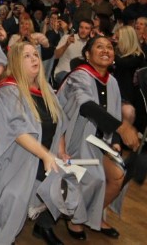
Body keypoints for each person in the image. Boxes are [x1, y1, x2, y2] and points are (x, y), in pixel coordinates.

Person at [57, 36, 140, 240]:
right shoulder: (79, 76)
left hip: (97, 142)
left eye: (109, 47)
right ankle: (75, 219)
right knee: (94, 177)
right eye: (99, 47)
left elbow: (112, 113)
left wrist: (115, 142)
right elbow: (85, 106)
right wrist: (121, 128)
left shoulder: (111, 81)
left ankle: (90, 215)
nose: (105, 50)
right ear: (87, 54)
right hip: (69, 140)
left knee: (118, 177)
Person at [0, 42, 66, 245]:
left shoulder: (45, 89)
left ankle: (43, 224)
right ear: (16, 62)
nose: (34, 59)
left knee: (68, 186)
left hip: (43, 159)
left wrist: (61, 150)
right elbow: (18, 131)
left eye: (35, 55)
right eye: (27, 56)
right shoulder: (8, 91)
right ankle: (3, 239)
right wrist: (46, 155)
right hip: (16, 162)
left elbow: (60, 120)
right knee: (15, 197)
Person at [53, 19, 93, 85]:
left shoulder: (91, 43)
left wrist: (92, 41)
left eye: (86, 28)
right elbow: (55, 56)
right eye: (81, 27)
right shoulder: (67, 37)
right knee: (76, 83)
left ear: (91, 31)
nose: (83, 30)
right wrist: (66, 45)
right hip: (64, 72)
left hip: (82, 76)